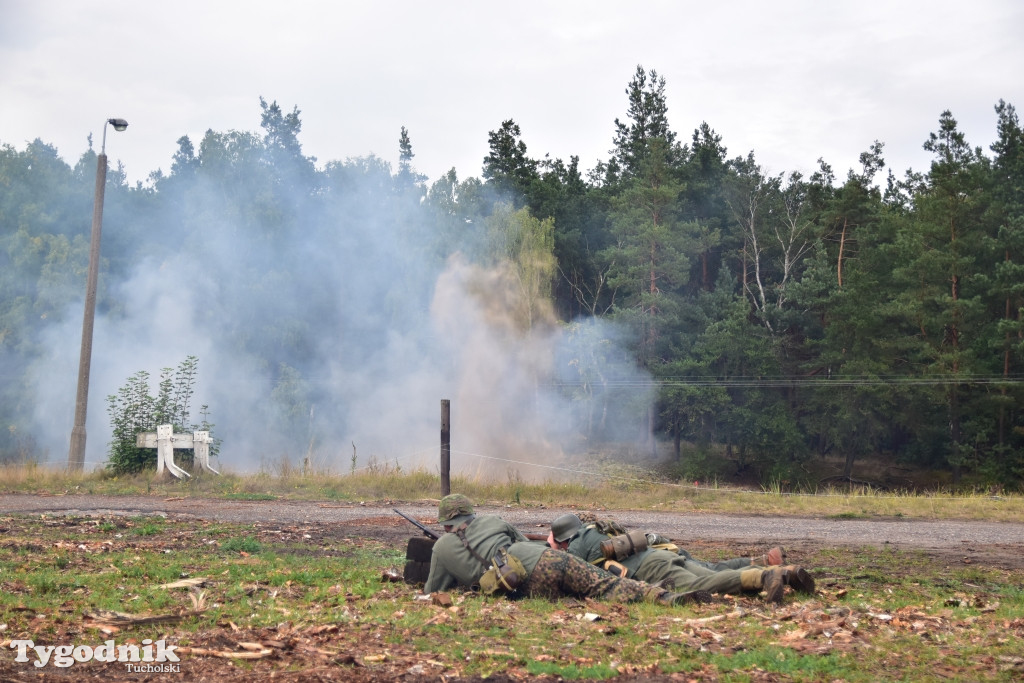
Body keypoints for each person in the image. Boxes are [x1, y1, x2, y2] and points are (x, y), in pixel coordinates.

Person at [422, 494, 712, 606]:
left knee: (576, 595)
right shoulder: (493, 520)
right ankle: (664, 597)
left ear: (445, 522)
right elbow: (522, 541)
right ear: (471, 514)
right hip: (547, 557)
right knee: (606, 585)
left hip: (526, 584)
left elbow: (432, 588)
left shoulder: (441, 546)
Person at [549, 513, 815, 604]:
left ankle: (767, 575)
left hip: (651, 568)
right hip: (658, 556)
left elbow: (570, 570)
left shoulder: (576, 543)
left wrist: (553, 551)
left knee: (704, 586)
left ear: (563, 539)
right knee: (712, 575)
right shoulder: (598, 529)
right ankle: (788, 572)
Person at [575, 511, 785, 570]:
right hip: (669, 550)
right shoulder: (613, 530)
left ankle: (763, 568)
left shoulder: (597, 540)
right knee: (712, 567)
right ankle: (762, 562)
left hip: (662, 557)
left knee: (711, 572)